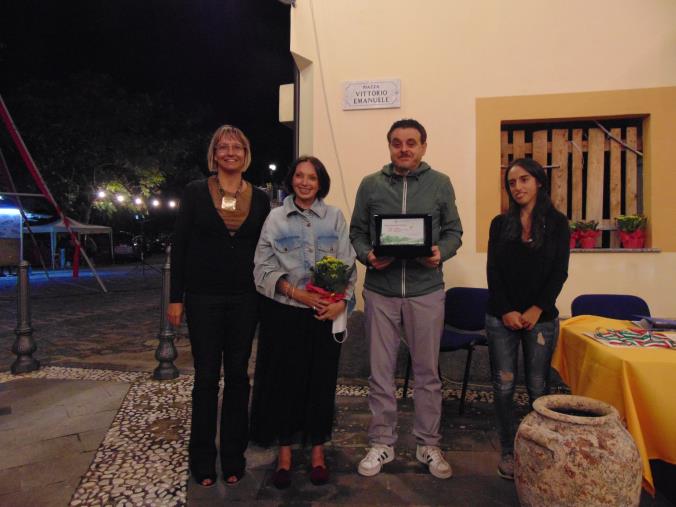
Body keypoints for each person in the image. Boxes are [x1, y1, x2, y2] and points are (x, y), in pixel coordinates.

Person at [350, 119, 463, 479]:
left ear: (423, 146)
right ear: (389, 146)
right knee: (380, 373)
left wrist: (439, 253)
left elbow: (453, 230)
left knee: (428, 373)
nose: (404, 149)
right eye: (397, 143)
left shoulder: (439, 183)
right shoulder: (370, 185)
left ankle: (428, 442)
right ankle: (382, 442)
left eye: (411, 143)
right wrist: (367, 255)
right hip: (381, 292)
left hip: (425, 290)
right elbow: (357, 232)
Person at [168, 125, 270, 487]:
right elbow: (179, 245)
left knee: (239, 378)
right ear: (214, 155)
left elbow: (266, 249)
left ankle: (233, 456)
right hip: (203, 298)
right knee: (207, 379)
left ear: (245, 154)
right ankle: (202, 460)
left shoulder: (259, 198)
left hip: (246, 298)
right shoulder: (196, 192)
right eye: (223, 147)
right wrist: (175, 297)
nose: (230, 152)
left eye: (236, 147)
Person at [251, 156, 356, 489]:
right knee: (284, 383)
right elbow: (261, 269)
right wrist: (298, 294)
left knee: (319, 383)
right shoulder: (275, 218)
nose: (305, 182)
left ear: (320, 182)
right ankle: (284, 455)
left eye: (312, 177)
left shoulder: (335, 217)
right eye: (299, 175)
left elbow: (348, 266)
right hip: (284, 314)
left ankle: (317, 453)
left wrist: (340, 303)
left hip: (322, 315)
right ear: (291, 179)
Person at [485, 157, 570, 480]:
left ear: (538, 182)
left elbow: (558, 272)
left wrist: (537, 308)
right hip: (500, 318)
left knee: (538, 388)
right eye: (512, 182)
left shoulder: (558, 223)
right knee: (503, 386)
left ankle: (539, 450)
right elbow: (494, 271)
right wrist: (506, 309)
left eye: (524, 180)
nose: (517, 187)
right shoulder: (499, 223)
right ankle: (508, 451)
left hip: (541, 319)